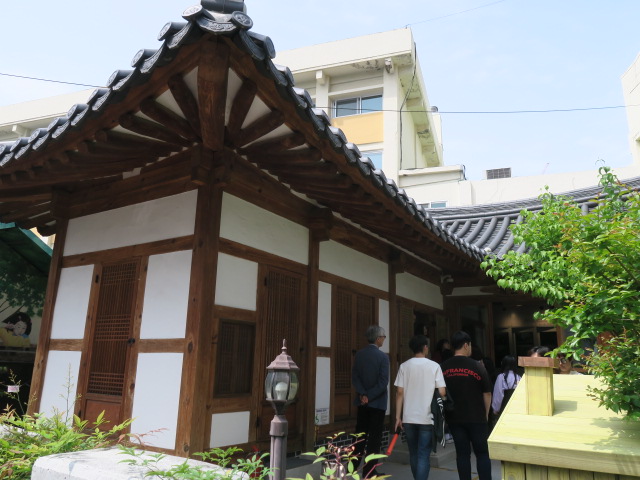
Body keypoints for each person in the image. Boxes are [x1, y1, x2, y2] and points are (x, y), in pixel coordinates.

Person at [441, 331, 492, 480]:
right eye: (469, 345)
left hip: (454, 417)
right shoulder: (477, 366)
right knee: (482, 453)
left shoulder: (443, 367)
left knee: (462, 454)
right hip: (477, 417)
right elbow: (487, 393)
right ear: (465, 345)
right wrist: (485, 414)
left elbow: (440, 392)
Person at [394, 335, 446, 480]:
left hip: (408, 418)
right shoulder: (434, 366)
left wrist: (398, 417)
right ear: (425, 347)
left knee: (414, 453)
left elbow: (399, 392)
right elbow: (442, 392)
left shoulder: (404, 366)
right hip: (426, 417)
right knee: (423, 455)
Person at [352, 325, 390, 477]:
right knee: (374, 439)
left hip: (362, 403)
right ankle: (369, 471)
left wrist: (363, 394)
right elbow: (383, 382)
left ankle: (352, 467)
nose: (384, 339)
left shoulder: (359, 355)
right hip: (377, 403)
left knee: (359, 436)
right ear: (378, 338)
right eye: (384, 337)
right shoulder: (383, 357)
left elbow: (355, 377)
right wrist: (370, 396)